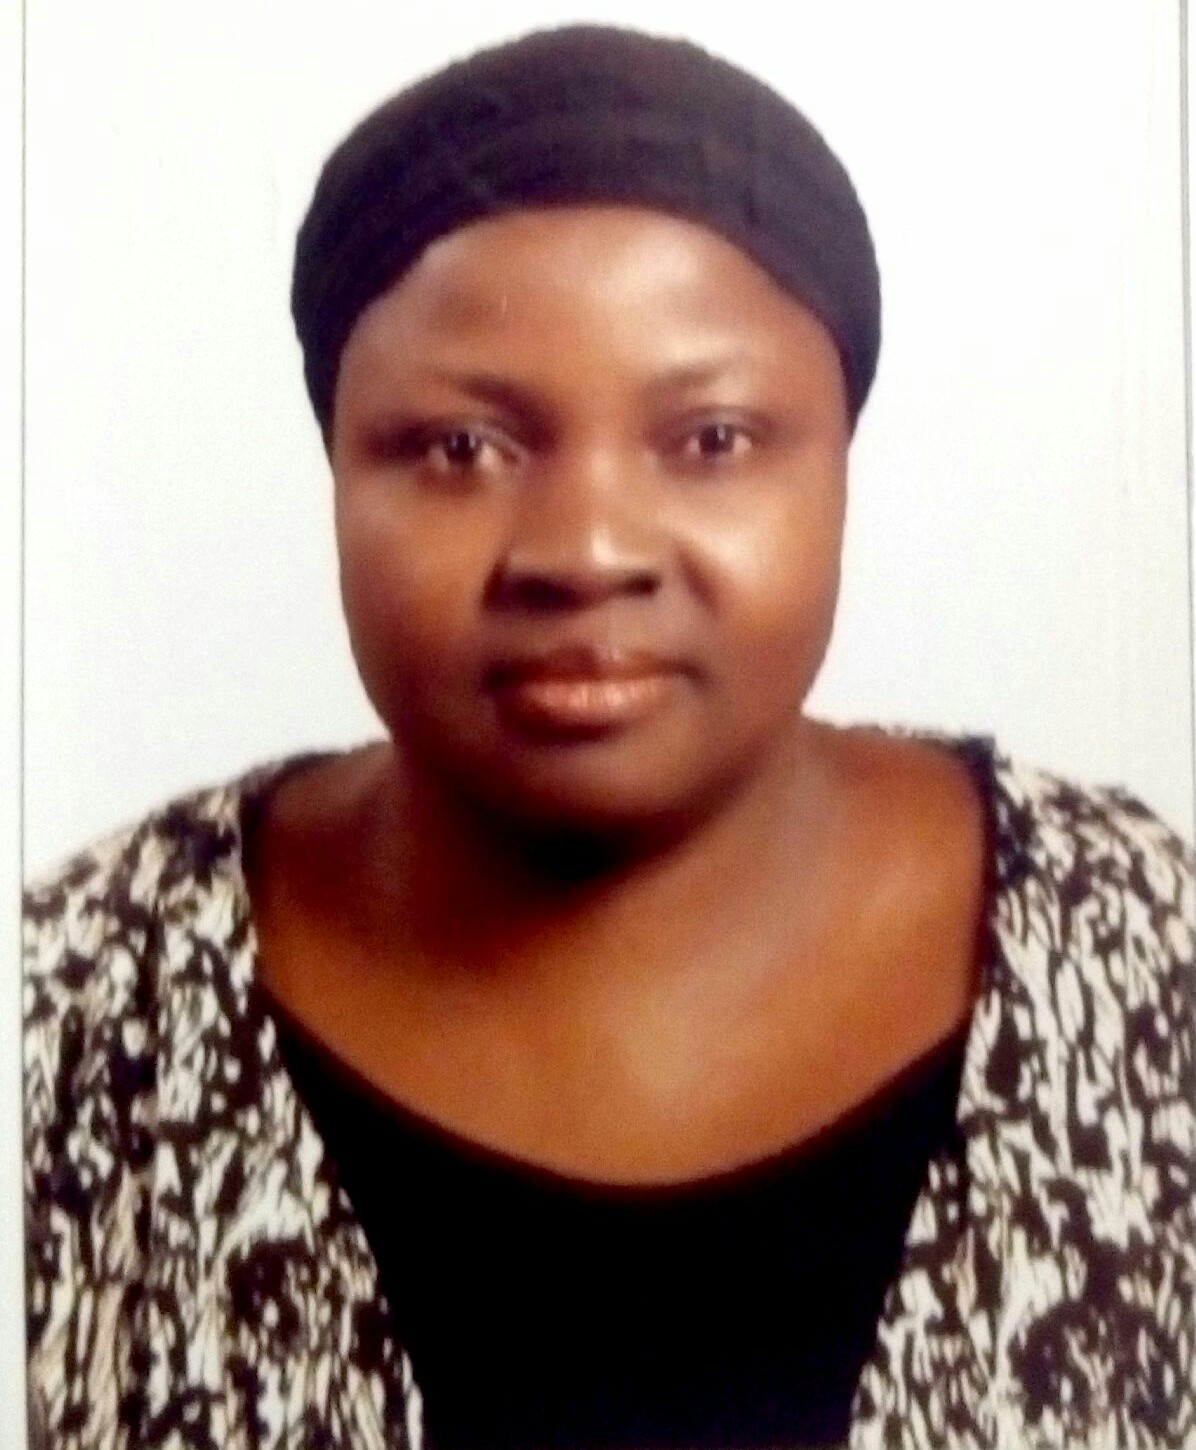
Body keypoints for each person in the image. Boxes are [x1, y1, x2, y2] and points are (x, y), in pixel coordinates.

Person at [22, 22, 1195, 1450]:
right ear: (337, 464)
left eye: (712, 440)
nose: (585, 551)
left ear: (840, 459)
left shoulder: (1141, 951)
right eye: (461, 447)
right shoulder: (74, 1013)